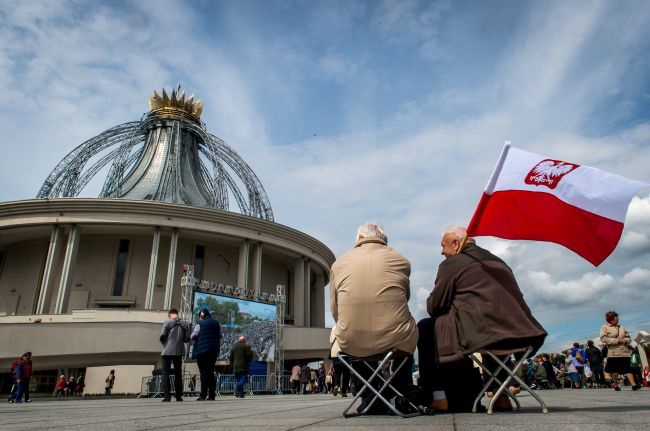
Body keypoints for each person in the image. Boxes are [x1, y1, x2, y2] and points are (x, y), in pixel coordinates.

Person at [420, 226, 547, 412]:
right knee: (494, 328)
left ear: (456, 244)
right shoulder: (500, 262)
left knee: (425, 327)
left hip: (485, 333)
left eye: (443, 246)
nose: (442, 251)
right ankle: (501, 396)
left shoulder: (452, 263)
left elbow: (435, 306)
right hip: (522, 331)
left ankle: (439, 396)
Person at [330, 223, 418, 414]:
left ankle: (369, 397)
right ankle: (399, 391)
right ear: (383, 240)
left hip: (352, 339)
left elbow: (335, 309)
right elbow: (405, 298)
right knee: (410, 327)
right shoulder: (401, 261)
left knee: (353, 334)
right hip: (394, 339)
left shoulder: (339, 264)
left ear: (359, 238)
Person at [599, 311, 640, 391]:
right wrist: (617, 341)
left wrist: (625, 340)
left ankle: (634, 385)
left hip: (624, 351)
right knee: (614, 370)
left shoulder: (622, 327)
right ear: (611, 319)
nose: (618, 319)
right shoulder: (605, 327)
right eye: (616, 318)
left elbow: (628, 337)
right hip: (613, 352)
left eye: (617, 318)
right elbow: (603, 339)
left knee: (628, 368)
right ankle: (616, 385)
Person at [160, 307, 191, 402]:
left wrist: (165, 344)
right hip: (179, 351)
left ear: (170, 315)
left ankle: (167, 396)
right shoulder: (185, 323)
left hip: (167, 351)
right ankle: (178, 396)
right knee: (178, 373)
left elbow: (162, 336)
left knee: (166, 373)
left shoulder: (167, 322)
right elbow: (187, 339)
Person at [191, 309, 221, 400]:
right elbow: (220, 335)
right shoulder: (216, 323)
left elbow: (193, 336)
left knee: (203, 373)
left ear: (202, 316)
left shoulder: (200, 324)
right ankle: (212, 395)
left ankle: (203, 395)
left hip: (202, 351)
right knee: (211, 372)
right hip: (214, 350)